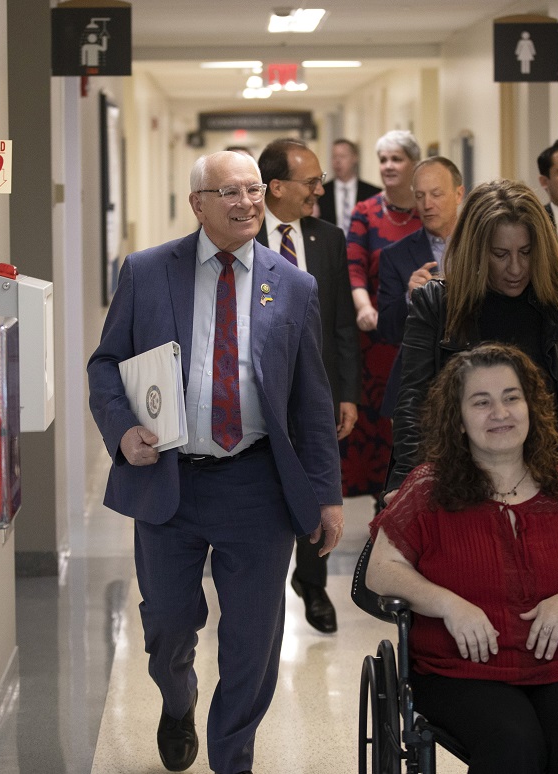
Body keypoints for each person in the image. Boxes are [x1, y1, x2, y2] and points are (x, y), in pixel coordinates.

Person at [87, 150, 344, 774]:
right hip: (170, 479)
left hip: (257, 482)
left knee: (253, 639)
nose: (246, 202)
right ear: (198, 203)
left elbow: (312, 397)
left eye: (254, 189)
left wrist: (326, 491)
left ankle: (233, 757)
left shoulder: (293, 285)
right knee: (170, 624)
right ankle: (177, 701)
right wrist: (123, 434)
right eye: (228, 192)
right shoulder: (148, 273)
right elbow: (104, 366)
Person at [368, 343, 558, 774]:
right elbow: (381, 570)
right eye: (481, 402)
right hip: (462, 670)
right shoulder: (428, 489)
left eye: (511, 397)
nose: (500, 412)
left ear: (530, 408)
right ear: (458, 421)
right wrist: (448, 604)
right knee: (513, 742)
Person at [385, 178, 558, 498]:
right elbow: (413, 406)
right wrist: (405, 483)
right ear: (477, 252)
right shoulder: (437, 306)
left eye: (526, 251)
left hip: (551, 489)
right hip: (465, 489)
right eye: (500, 254)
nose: (516, 268)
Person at [256, 137, 359, 634]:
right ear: (275, 187)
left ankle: (312, 582)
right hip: (259, 387)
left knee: (318, 480)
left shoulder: (327, 238)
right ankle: (261, 580)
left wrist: (347, 393)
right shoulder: (241, 235)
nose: (320, 188)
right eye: (310, 181)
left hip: (316, 385)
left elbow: (340, 324)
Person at [342, 130, 424, 509]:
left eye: (397, 159)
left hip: (423, 332)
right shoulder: (366, 211)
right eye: (383, 160)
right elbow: (353, 266)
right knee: (380, 426)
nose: (388, 166)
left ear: (413, 164)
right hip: (376, 335)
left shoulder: (431, 211)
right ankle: (385, 503)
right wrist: (363, 306)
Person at [377, 156, 466, 347]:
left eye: (436, 194)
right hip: (423, 370)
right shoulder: (395, 256)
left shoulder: (483, 244)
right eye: (420, 196)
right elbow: (387, 330)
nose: (427, 205)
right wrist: (410, 297)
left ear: (459, 194)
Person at [316, 138, 381, 233]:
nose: (337, 161)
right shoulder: (320, 192)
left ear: (355, 158)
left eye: (342, 156)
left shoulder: (373, 193)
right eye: (334, 157)